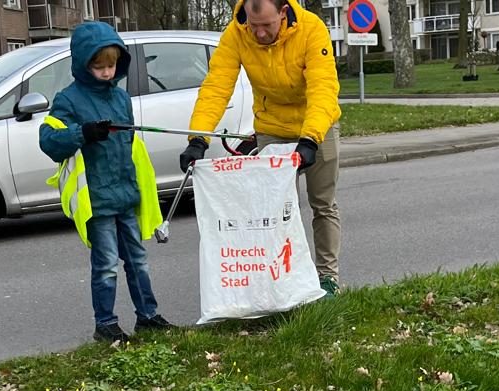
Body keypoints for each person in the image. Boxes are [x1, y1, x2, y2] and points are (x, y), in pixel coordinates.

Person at [181, 0, 343, 296]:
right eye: (253, 26)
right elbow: (217, 87)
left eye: (266, 25)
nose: (259, 34)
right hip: (272, 129)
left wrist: (310, 140)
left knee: (323, 204)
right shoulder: (236, 33)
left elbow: (323, 88)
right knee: (276, 210)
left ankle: (327, 277)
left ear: (283, 12)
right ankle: (284, 278)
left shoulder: (311, 29)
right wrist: (198, 139)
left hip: (317, 124)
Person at [39, 21, 175, 342]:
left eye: (111, 65)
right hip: (97, 200)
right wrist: (82, 133)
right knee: (106, 266)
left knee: (138, 260)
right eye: (99, 66)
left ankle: (148, 316)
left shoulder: (121, 99)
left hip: (126, 195)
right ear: (84, 64)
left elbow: (128, 148)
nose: (106, 72)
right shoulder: (68, 100)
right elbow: (49, 140)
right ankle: (106, 324)